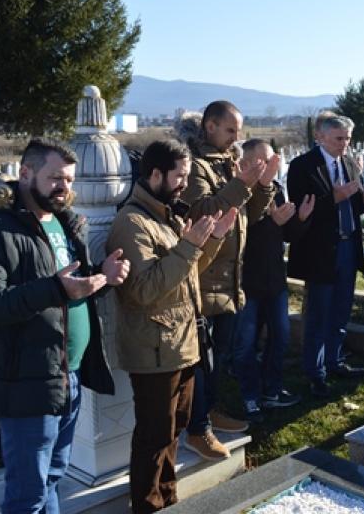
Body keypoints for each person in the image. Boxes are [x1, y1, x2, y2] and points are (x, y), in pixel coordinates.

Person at [0, 139, 129, 514]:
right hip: (27, 382)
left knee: (53, 478)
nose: (64, 187)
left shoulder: (65, 223)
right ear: (25, 173)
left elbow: (71, 288)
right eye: (55, 177)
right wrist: (56, 289)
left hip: (69, 376)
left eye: (69, 180)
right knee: (28, 494)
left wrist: (102, 277)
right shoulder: (1, 230)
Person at [108, 139, 237, 513]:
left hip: (181, 343)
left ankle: (168, 501)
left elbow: (187, 272)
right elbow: (143, 291)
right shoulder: (132, 223)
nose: (185, 184)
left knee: (173, 431)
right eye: (179, 176)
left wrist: (211, 240)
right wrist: (189, 246)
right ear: (155, 174)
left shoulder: (167, 215)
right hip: (155, 349)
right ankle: (147, 505)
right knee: (154, 437)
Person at [178, 100, 277, 459]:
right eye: (231, 130)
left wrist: (262, 185)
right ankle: (196, 428)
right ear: (210, 127)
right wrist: (241, 183)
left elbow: (250, 214)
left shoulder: (229, 161)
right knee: (201, 359)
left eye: (239, 130)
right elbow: (201, 212)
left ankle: (210, 410)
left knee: (219, 356)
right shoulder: (196, 165)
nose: (237, 137)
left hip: (231, 278)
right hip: (205, 277)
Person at [286, 115, 364, 397]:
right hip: (320, 250)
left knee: (341, 309)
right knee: (318, 312)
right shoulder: (303, 166)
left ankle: (334, 359)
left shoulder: (348, 163)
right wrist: (334, 198)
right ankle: (315, 372)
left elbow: (353, 208)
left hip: (348, 245)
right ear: (321, 137)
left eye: (348, 138)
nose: (345, 143)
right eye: (339, 138)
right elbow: (303, 210)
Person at [234, 139, 315, 423]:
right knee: (245, 344)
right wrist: (273, 223)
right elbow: (240, 235)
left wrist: (300, 219)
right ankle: (250, 396)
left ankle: (272, 389)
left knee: (280, 336)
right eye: (265, 161)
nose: (272, 166)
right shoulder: (238, 192)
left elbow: (286, 233)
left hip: (275, 280)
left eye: (272, 161)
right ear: (246, 163)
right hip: (247, 281)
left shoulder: (276, 190)